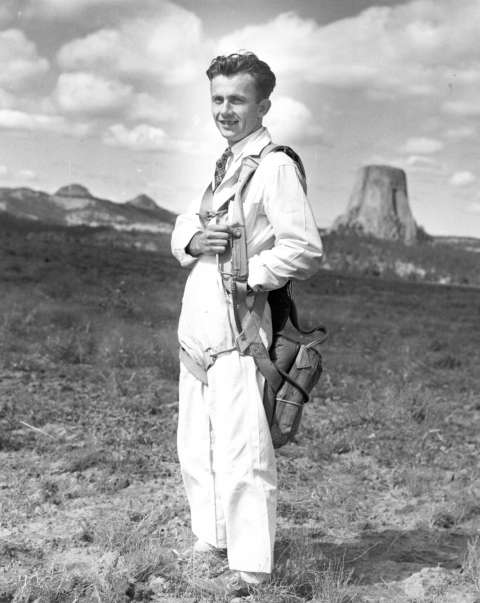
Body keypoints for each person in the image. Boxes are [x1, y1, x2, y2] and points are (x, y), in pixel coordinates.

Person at [171, 51, 323, 594]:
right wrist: (192, 239)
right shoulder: (226, 162)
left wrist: (250, 274)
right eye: (217, 99)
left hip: (240, 331)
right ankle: (211, 541)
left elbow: (304, 248)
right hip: (198, 333)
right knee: (197, 445)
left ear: (264, 104)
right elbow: (190, 217)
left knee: (244, 454)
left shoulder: (274, 164)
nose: (225, 110)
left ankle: (252, 568)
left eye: (237, 99)